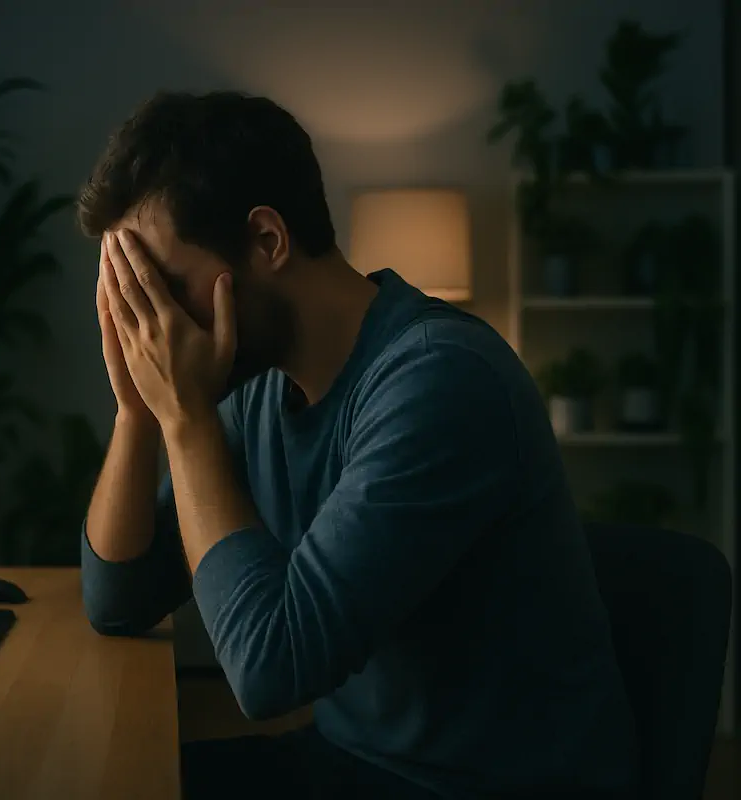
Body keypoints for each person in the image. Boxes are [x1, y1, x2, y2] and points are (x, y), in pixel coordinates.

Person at [74, 90, 639, 799]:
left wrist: (185, 422)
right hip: (356, 765)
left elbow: (269, 671)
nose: (151, 324)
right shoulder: (260, 389)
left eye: (162, 287)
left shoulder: (440, 381)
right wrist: (136, 412)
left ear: (268, 241)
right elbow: (118, 599)